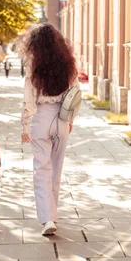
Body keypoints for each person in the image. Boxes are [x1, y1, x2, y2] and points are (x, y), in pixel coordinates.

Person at [21, 24, 78, 236]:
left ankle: (47, 219)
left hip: (41, 118)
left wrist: (25, 126)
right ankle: (53, 215)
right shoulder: (68, 64)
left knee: (41, 170)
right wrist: (70, 119)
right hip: (61, 119)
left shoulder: (33, 66)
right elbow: (75, 95)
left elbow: (29, 101)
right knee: (56, 169)